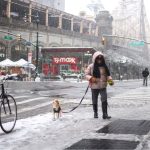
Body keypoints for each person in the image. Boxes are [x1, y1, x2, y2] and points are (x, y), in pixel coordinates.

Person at [85, 51, 114, 119]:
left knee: (104, 100)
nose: (99, 60)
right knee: (94, 100)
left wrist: (110, 81)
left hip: (103, 86)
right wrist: (91, 78)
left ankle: (105, 114)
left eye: (101, 59)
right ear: (95, 59)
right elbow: (86, 75)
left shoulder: (104, 66)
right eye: (98, 58)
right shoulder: (91, 66)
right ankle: (95, 113)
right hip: (94, 87)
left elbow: (108, 75)